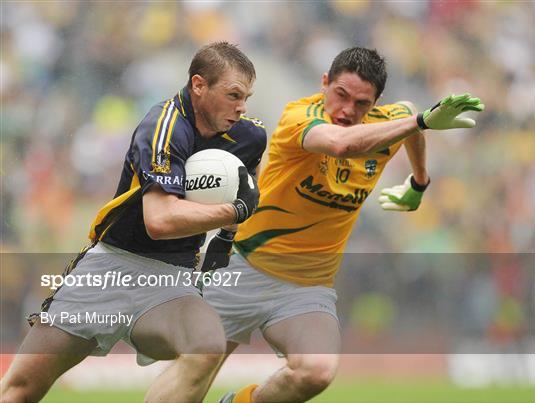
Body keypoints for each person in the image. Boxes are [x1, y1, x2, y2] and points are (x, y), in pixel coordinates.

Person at [197, 47, 484, 403]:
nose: (347, 111)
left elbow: (407, 117)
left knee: (317, 372)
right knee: (191, 374)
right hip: (244, 267)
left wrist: (419, 183)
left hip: (308, 287)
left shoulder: (392, 119)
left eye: (362, 104)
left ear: (377, 103)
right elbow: (340, 145)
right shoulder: (299, 116)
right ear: (324, 84)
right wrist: (423, 121)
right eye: (341, 95)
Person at [0, 41, 267, 403]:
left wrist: (225, 239)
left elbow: (244, 180)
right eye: (234, 94)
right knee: (20, 390)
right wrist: (234, 212)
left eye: (246, 97)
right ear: (199, 85)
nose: (242, 107)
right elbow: (159, 220)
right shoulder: (162, 125)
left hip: (171, 278)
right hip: (108, 270)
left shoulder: (250, 136)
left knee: (207, 346)